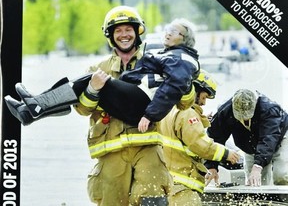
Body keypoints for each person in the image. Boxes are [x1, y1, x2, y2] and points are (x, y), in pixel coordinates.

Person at [4, 18, 199, 133]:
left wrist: (150, 114)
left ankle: (38, 106)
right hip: (131, 107)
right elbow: (84, 108)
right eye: (168, 29)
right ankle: (30, 111)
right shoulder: (164, 54)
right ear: (110, 35)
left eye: (174, 31)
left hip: (142, 108)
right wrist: (97, 88)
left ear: (185, 39)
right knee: (87, 82)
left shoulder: (182, 58)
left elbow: (175, 87)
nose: (168, 33)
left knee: (90, 78)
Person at [158, 70, 241, 206]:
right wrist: (226, 153)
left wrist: (200, 120)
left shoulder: (169, 108)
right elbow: (199, 144)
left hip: (167, 183)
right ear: (194, 89)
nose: (203, 103)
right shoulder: (188, 113)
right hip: (182, 188)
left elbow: (182, 136)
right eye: (204, 97)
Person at [205, 89, 288, 187]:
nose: (243, 120)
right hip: (250, 145)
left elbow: (268, 139)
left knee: (282, 175)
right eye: (239, 118)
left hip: (280, 138)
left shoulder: (269, 110)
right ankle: (263, 202)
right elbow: (215, 138)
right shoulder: (224, 112)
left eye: (246, 117)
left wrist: (257, 166)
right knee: (254, 182)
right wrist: (212, 166)